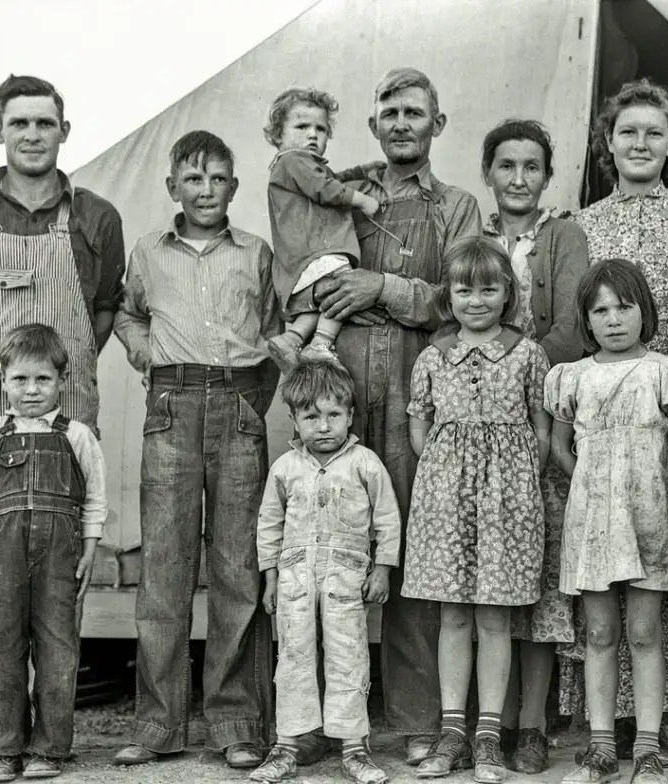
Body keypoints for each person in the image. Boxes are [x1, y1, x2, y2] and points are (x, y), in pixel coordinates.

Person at [0, 74, 125, 768]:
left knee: (55, 571)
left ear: (65, 130)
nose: (32, 134)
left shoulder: (97, 216)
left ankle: (45, 732)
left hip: (63, 419)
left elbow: (96, 319)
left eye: (45, 123)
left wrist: (53, 388)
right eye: (19, 123)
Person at [303, 67, 483, 765]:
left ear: (437, 124)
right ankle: (325, 716)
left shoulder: (457, 207)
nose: (400, 122)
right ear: (373, 124)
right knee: (332, 542)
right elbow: (300, 266)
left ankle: (415, 716)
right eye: (388, 111)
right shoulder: (343, 194)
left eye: (414, 112)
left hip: (418, 375)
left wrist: (383, 285)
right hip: (341, 375)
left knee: (409, 546)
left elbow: (464, 296)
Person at [557, 78, 668, 763]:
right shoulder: (582, 223)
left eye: (655, 131)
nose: (642, 142)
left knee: (663, 574)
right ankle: (602, 726)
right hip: (601, 399)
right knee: (603, 594)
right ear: (608, 144)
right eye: (628, 132)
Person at [112, 130, 277, 769]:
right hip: (170, 411)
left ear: (233, 188)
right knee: (165, 570)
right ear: (173, 186)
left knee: (238, 569)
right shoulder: (148, 252)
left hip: (236, 408)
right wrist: (144, 348)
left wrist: (245, 404)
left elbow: (271, 332)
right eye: (193, 178)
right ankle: (158, 724)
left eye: (217, 179)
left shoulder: (255, 253)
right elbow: (126, 314)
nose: (205, 190)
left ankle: (235, 722)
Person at [404, 236, 551, 784]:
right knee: (453, 615)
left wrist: (508, 480)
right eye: (464, 289)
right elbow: (420, 425)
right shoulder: (434, 356)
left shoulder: (526, 353)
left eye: (489, 289)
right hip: (445, 501)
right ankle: (452, 732)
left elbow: (540, 429)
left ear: (508, 293)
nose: (477, 300)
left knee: (495, 615)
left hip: (508, 502)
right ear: (450, 295)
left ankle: (488, 735)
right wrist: (451, 471)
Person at [547, 259, 668, 784]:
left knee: (646, 631)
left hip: (649, 518)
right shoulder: (571, 377)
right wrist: (592, 481)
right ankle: (602, 747)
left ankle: (648, 748)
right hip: (593, 522)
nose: (613, 319)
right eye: (599, 310)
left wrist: (666, 495)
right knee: (601, 633)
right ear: (586, 320)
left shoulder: (663, 371)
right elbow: (559, 448)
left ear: (644, 312)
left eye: (624, 307)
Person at [479, 118, 589, 774]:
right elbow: (449, 310)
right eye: (506, 166)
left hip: (542, 417)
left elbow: (573, 327)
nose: (518, 178)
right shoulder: (473, 237)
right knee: (491, 575)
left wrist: (511, 368)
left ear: (547, 175)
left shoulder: (564, 235)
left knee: (540, 578)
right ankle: (482, 721)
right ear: (489, 173)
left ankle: (532, 725)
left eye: (531, 167)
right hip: (482, 431)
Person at [0, 324, 107, 783]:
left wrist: (89, 551)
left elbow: (96, 500)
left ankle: (49, 750)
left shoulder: (77, 435)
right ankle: (6, 749)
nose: (31, 390)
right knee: (1, 651)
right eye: (20, 379)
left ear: (62, 381)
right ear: (3, 380)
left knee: (58, 651)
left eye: (43, 379)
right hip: (1, 557)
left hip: (59, 558)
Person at [250, 360, 401, 784]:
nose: (323, 426)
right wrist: (270, 579)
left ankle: (355, 748)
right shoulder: (284, 468)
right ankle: (286, 746)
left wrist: (384, 569)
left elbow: (386, 520)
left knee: (349, 658)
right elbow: (269, 524)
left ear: (350, 416)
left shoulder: (364, 464)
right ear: (294, 420)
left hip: (346, 580)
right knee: (294, 658)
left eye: (333, 415)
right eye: (311, 416)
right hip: (295, 579)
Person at [262, 87, 383, 371]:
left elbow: (327, 179)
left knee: (320, 303)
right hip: (318, 252)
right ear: (279, 135)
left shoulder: (293, 166)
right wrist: (362, 199)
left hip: (302, 259)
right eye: (302, 126)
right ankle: (321, 344)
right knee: (342, 289)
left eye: (321, 128)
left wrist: (359, 172)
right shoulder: (294, 161)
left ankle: (291, 338)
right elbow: (324, 188)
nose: (313, 134)